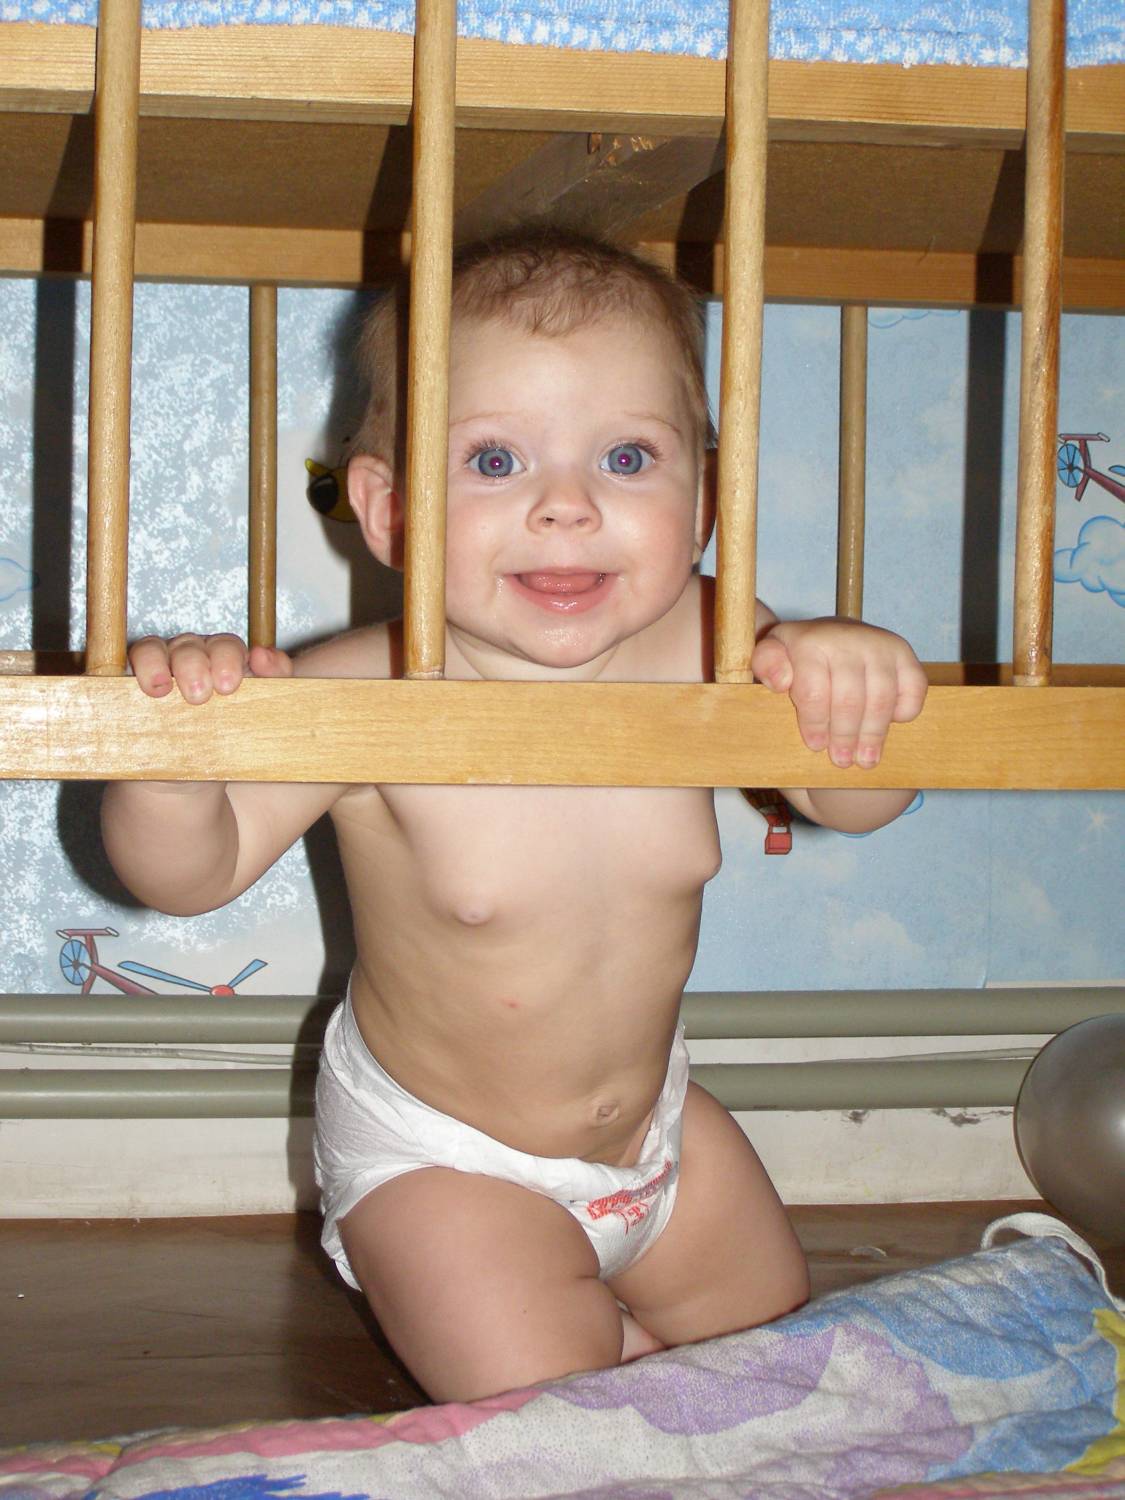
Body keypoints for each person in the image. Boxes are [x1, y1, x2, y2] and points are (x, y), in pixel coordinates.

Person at [102, 229, 927, 1404]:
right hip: (445, 1163)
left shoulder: (715, 643)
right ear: (389, 510)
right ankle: (601, 1362)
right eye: (495, 461)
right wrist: (170, 771)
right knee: (555, 1416)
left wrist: (854, 678)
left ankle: (653, 1356)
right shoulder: (364, 695)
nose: (567, 507)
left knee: (790, 1381)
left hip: (660, 1140)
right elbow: (190, 876)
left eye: (628, 458)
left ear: (704, 498)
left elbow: (859, 799)